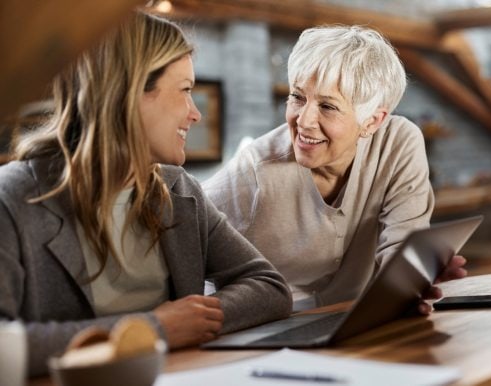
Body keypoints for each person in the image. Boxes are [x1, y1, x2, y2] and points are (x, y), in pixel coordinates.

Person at [0, 11, 291, 376]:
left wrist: (192, 321)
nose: (194, 114)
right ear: (131, 91)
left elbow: (268, 288)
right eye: (186, 91)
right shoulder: (13, 198)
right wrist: (157, 328)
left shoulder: (179, 190)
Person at [203, 25, 466, 311]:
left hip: (355, 319)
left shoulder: (397, 143)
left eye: (327, 106)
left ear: (373, 122)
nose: (304, 121)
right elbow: (184, 240)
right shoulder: (255, 171)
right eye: (298, 97)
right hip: (269, 327)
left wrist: (412, 283)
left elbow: (402, 245)